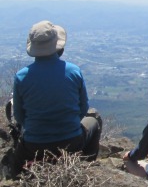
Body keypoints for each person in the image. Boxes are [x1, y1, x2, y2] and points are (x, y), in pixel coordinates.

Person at [12, 20, 101, 167]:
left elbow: (19, 116)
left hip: (34, 146)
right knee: (94, 118)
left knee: (15, 167)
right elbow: (83, 108)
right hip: (71, 143)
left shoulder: (21, 77)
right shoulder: (73, 71)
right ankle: (85, 166)